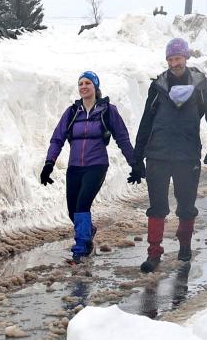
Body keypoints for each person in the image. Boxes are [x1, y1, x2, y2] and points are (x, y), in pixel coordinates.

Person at [133, 37, 207, 273]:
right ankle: (154, 253)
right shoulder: (158, 87)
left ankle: (185, 246)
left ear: (186, 58)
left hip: (187, 155)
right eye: (171, 59)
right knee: (157, 207)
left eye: (178, 58)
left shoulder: (199, 84)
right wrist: (137, 158)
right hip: (158, 154)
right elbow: (146, 123)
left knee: (186, 205)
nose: (175, 63)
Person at [40, 71, 144, 263]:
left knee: (82, 205)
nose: (84, 86)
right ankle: (87, 230)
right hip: (74, 167)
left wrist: (134, 163)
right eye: (80, 83)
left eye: (88, 83)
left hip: (96, 165)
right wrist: (49, 164)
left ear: (95, 87)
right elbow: (57, 138)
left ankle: (81, 249)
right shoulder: (72, 112)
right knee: (72, 210)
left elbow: (122, 138)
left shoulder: (107, 110)